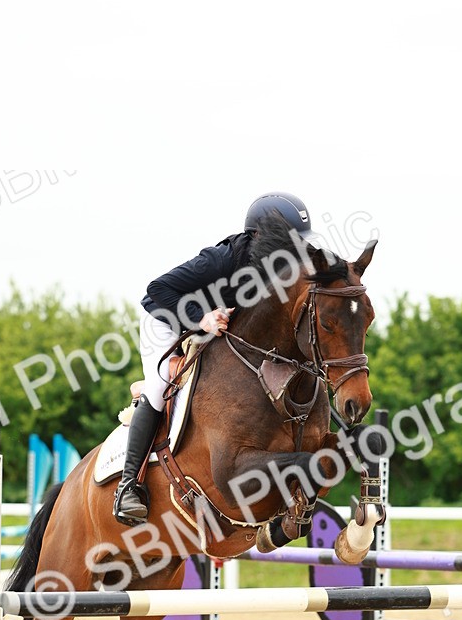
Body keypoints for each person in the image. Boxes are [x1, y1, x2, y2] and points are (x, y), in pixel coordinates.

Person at [113, 191, 317, 525]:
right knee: (160, 385)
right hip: (168, 321)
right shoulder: (221, 259)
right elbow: (157, 290)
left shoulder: (283, 267)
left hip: (221, 330)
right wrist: (201, 319)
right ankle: (128, 487)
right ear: (260, 237)